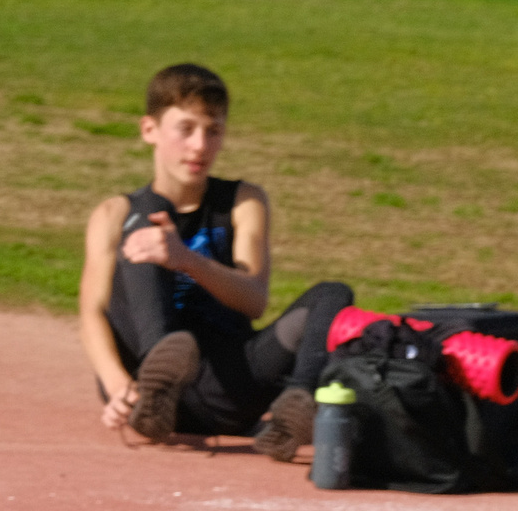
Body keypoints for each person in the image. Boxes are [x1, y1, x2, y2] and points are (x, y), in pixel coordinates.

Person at [76, 63, 356, 459]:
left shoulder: (244, 201)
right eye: (186, 129)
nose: (200, 146)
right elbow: (92, 313)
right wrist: (119, 385)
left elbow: (254, 300)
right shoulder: (114, 214)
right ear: (149, 130)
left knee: (333, 294)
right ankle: (161, 381)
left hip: (228, 387)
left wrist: (187, 260)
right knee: (146, 219)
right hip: (145, 390)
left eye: (214, 131)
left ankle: (297, 406)